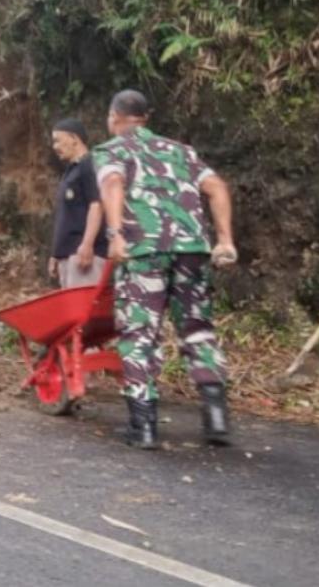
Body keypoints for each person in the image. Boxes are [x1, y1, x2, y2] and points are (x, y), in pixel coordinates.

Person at [93, 89, 237, 449]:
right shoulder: (181, 151)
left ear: (114, 117)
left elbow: (112, 184)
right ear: (146, 117)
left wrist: (115, 234)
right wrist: (224, 240)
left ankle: (143, 426)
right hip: (192, 250)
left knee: (140, 333)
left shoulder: (112, 150)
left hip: (146, 251)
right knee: (198, 328)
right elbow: (217, 188)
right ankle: (216, 418)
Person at [47, 118, 108, 288]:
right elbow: (66, 218)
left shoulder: (89, 165)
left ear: (74, 138)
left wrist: (87, 244)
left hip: (83, 254)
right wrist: (56, 254)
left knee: (84, 312)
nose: (55, 146)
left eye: (57, 140)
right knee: (71, 313)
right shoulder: (71, 171)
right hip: (68, 256)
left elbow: (97, 205)